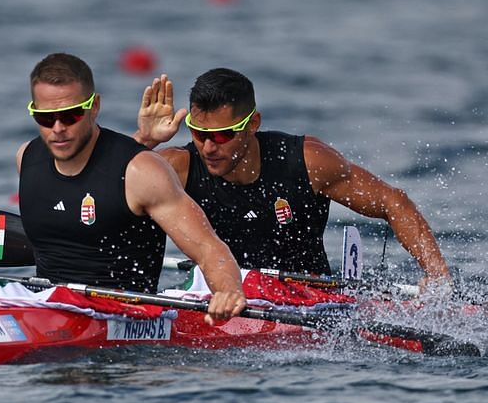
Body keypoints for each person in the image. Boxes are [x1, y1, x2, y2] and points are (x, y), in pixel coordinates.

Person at [134, 68, 451, 290]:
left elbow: (393, 202)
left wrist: (438, 278)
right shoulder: (179, 166)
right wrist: (145, 141)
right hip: (214, 294)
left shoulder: (305, 161)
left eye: (222, 135)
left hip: (307, 297)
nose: (208, 147)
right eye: (199, 133)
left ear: (253, 123)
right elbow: (107, 187)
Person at [17, 53, 246, 322]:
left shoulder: (142, 172)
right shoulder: (27, 158)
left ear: (94, 107)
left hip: (120, 316)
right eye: (45, 118)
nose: (57, 128)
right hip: (43, 304)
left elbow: (209, 248)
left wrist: (228, 293)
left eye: (70, 116)